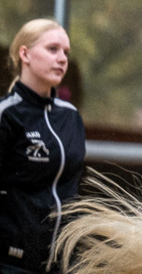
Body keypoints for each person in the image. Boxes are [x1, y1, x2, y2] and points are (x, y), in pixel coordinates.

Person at [1, 20, 86, 274]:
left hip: (63, 264)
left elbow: (75, 190)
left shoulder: (71, 117)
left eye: (66, 52)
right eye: (52, 49)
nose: (62, 59)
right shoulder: (7, 115)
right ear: (24, 54)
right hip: (12, 263)